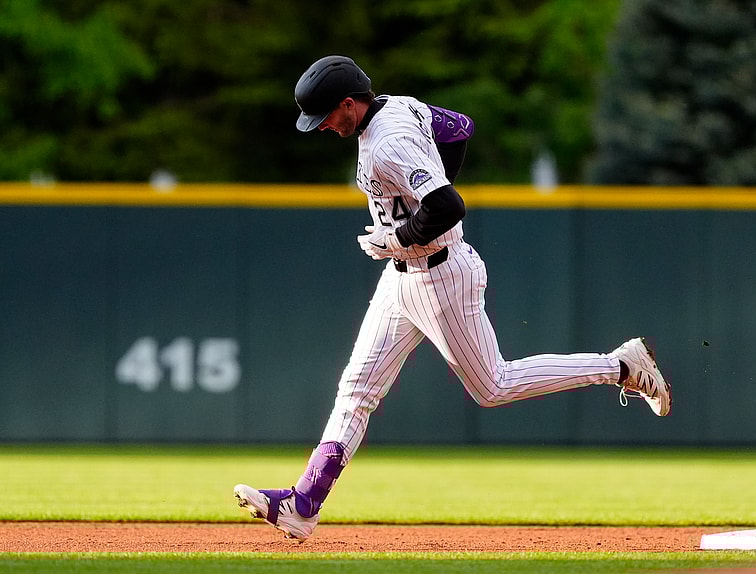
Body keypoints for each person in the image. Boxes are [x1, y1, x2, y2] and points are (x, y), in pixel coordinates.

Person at [234, 55, 672, 541]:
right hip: (403, 280)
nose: (323, 128)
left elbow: (447, 205)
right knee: (356, 388)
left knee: (494, 386)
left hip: (442, 277)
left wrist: (399, 237)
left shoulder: (390, 140)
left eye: (328, 117)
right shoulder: (398, 107)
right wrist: (412, 221)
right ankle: (304, 503)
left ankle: (621, 367)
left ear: (348, 103)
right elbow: (460, 128)